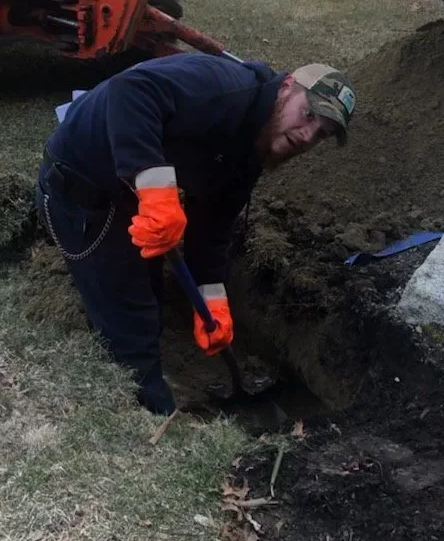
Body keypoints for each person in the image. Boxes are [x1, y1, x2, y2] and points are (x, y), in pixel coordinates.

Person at [37, 53, 356, 415]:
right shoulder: (223, 89)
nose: (307, 135)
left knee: (149, 298)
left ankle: (147, 359)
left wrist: (212, 298)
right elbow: (130, 91)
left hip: (129, 197)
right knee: (131, 317)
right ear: (286, 88)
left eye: (322, 134)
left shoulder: (254, 147)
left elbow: (213, 227)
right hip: (80, 189)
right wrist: (156, 193)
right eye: (308, 114)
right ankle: (151, 410)